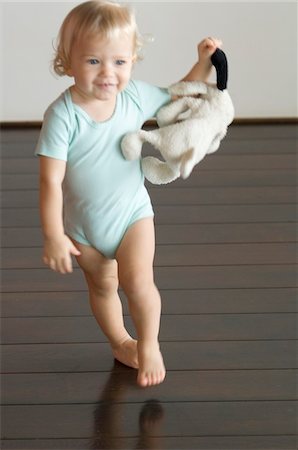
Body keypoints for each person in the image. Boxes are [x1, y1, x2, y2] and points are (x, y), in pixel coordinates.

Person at [35, 0, 222, 387]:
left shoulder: (134, 97)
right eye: (93, 62)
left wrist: (204, 61)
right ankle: (121, 341)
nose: (108, 73)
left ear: (132, 60)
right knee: (103, 285)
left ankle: (149, 343)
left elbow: (180, 93)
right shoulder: (63, 115)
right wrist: (54, 235)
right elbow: (50, 181)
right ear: (67, 62)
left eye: (119, 62)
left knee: (137, 281)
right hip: (82, 230)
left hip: (132, 215)